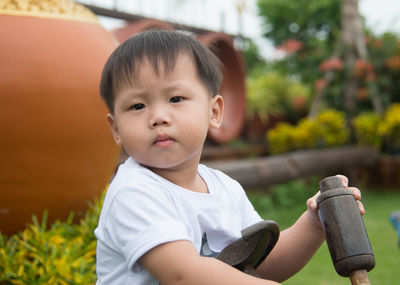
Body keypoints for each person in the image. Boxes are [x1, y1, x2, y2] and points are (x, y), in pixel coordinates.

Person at [94, 29, 365, 285]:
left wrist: (314, 224)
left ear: (213, 112)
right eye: (137, 106)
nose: (158, 118)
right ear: (116, 128)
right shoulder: (134, 192)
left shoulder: (225, 188)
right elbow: (183, 274)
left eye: (175, 99)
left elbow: (260, 265)